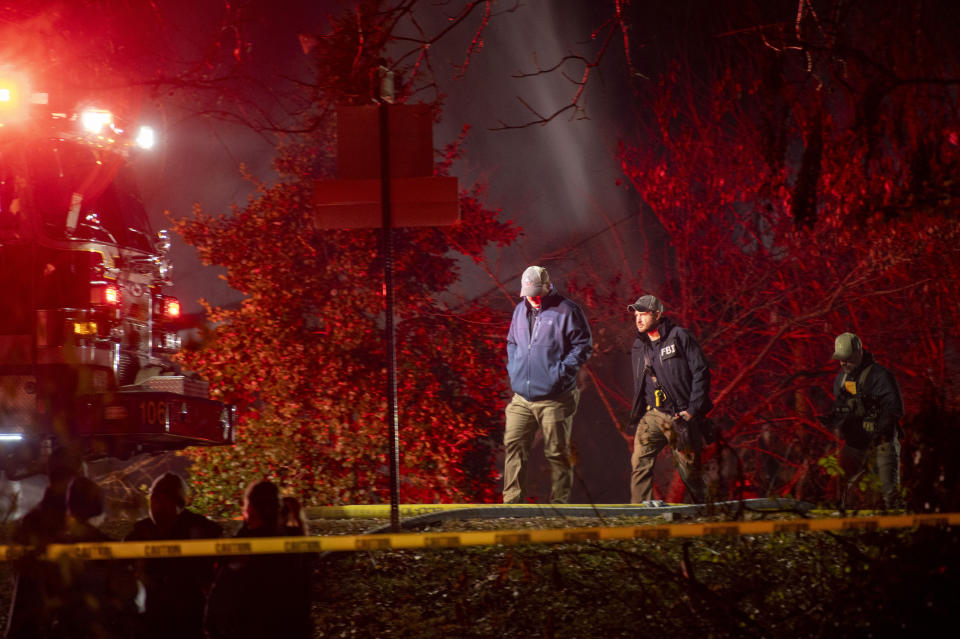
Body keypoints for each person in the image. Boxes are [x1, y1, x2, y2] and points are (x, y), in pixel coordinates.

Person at [502, 265, 593, 504]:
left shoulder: (567, 310)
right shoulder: (519, 311)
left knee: (557, 452)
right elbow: (512, 342)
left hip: (556, 396)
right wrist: (514, 368)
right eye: (528, 292)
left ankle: (559, 506)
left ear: (547, 286)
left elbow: (583, 345)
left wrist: (561, 373)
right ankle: (511, 504)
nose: (532, 297)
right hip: (522, 397)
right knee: (514, 446)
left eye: (536, 291)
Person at [627, 295, 712, 504]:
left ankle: (709, 510)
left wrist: (692, 411)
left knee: (689, 470)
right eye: (635, 315)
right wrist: (639, 413)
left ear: (657, 314)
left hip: (681, 415)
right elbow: (640, 385)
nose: (638, 319)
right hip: (654, 414)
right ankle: (637, 513)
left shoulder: (679, 336)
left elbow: (701, 372)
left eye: (643, 313)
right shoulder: (639, 347)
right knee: (639, 462)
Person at [204, 480, 313, 639]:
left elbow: (222, 595)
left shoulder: (245, 547)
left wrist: (212, 628)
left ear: (250, 509)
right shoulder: (295, 543)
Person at [124, 472, 223, 639]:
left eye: (163, 498)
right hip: (150, 623)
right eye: (154, 498)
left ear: (179, 503)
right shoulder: (140, 533)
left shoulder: (202, 530)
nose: (156, 505)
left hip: (189, 621)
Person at [50, 476, 139, 639]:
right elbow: (127, 602)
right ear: (99, 507)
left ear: (69, 506)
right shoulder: (110, 550)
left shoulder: (53, 550)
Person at [830, 332, 904, 509]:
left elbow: (895, 409)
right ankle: (834, 522)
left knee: (889, 490)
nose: (843, 363)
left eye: (847, 359)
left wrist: (875, 426)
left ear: (859, 353)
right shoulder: (841, 379)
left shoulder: (881, 376)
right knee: (837, 486)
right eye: (841, 359)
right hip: (856, 441)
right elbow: (840, 408)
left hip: (883, 440)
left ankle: (895, 527)